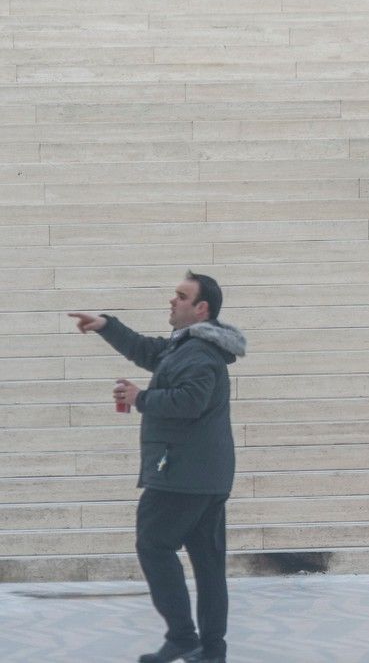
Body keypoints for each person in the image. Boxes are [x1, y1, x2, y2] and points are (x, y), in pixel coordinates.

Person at [69, 272, 246, 663]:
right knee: (208, 564)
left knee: (153, 545)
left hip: (182, 475)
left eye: (181, 296)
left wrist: (140, 397)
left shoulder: (199, 353)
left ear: (202, 308)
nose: (172, 301)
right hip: (205, 475)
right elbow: (149, 352)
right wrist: (106, 326)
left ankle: (183, 637)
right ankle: (212, 652)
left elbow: (190, 402)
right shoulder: (188, 347)